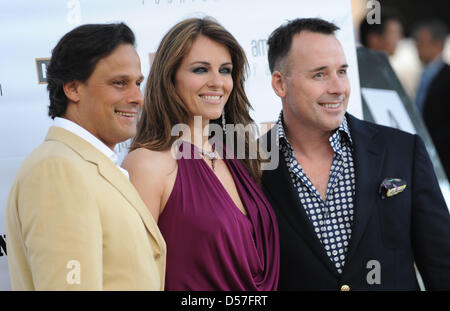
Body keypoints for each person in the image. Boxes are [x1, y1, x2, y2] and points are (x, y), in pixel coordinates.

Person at [262, 17, 450, 290]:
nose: (338, 88)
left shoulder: (401, 150)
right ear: (280, 84)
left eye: (342, 71)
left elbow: (442, 265)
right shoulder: (250, 164)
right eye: (319, 74)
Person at [122, 17, 279, 290]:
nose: (218, 82)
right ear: (170, 78)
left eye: (226, 70)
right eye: (200, 70)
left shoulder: (236, 153)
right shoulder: (147, 165)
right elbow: (136, 276)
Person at [6, 23, 166, 290]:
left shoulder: (85, 164)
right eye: (119, 83)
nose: (138, 97)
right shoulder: (57, 170)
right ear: (73, 88)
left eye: (138, 83)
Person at [413, 19, 450, 179]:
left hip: (442, 156)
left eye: (422, 42)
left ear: (438, 44)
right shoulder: (424, 74)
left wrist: (431, 143)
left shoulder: (447, 76)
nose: (417, 47)